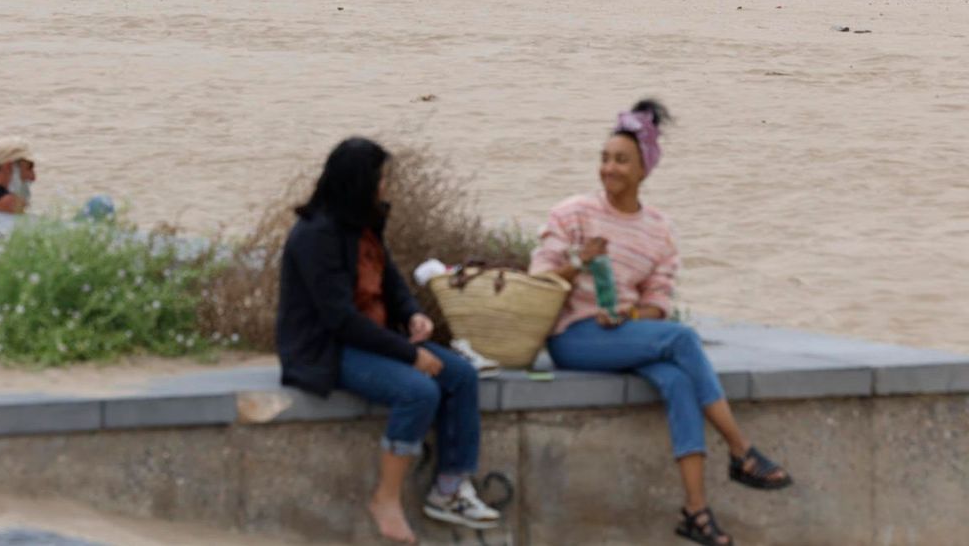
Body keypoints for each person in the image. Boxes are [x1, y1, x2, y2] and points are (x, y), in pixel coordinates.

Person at [531, 100, 792, 546]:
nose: (609, 168)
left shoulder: (658, 230)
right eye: (605, 158)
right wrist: (579, 261)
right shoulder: (573, 212)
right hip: (574, 337)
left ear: (644, 170)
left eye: (621, 160)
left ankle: (695, 511)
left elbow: (658, 303)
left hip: (627, 335)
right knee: (684, 340)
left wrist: (630, 315)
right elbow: (537, 280)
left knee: (675, 380)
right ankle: (741, 451)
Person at [277, 138, 503, 543]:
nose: (385, 187)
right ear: (358, 182)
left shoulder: (364, 224)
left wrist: (412, 314)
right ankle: (386, 498)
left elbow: (391, 281)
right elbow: (339, 319)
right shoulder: (316, 236)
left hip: (375, 336)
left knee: (461, 375)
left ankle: (449, 489)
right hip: (328, 348)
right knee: (418, 391)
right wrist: (408, 354)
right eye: (380, 179)